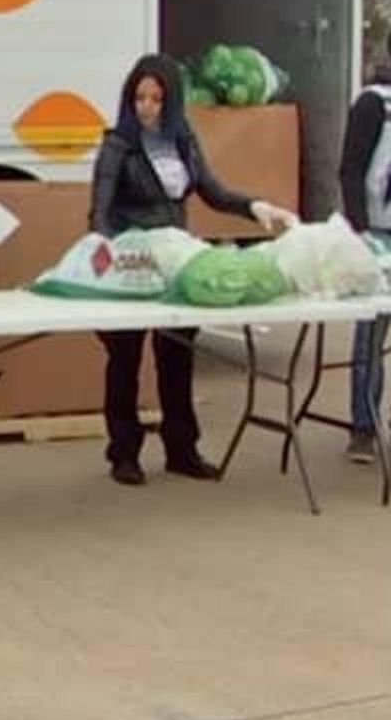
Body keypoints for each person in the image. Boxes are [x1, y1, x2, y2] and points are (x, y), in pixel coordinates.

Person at [90, 54, 294, 486]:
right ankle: (123, 453)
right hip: (133, 264)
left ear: (171, 102)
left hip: (177, 261)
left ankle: (182, 448)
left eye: (156, 99)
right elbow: (101, 212)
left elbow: (213, 192)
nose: (146, 107)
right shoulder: (117, 145)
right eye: (139, 98)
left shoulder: (184, 140)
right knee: (125, 360)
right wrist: (112, 251)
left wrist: (254, 206)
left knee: (177, 356)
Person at [336, 39, 391, 466]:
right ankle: (363, 426)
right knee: (370, 335)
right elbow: (351, 168)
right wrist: (359, 233)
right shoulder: (374, 104)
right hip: (378, 234)